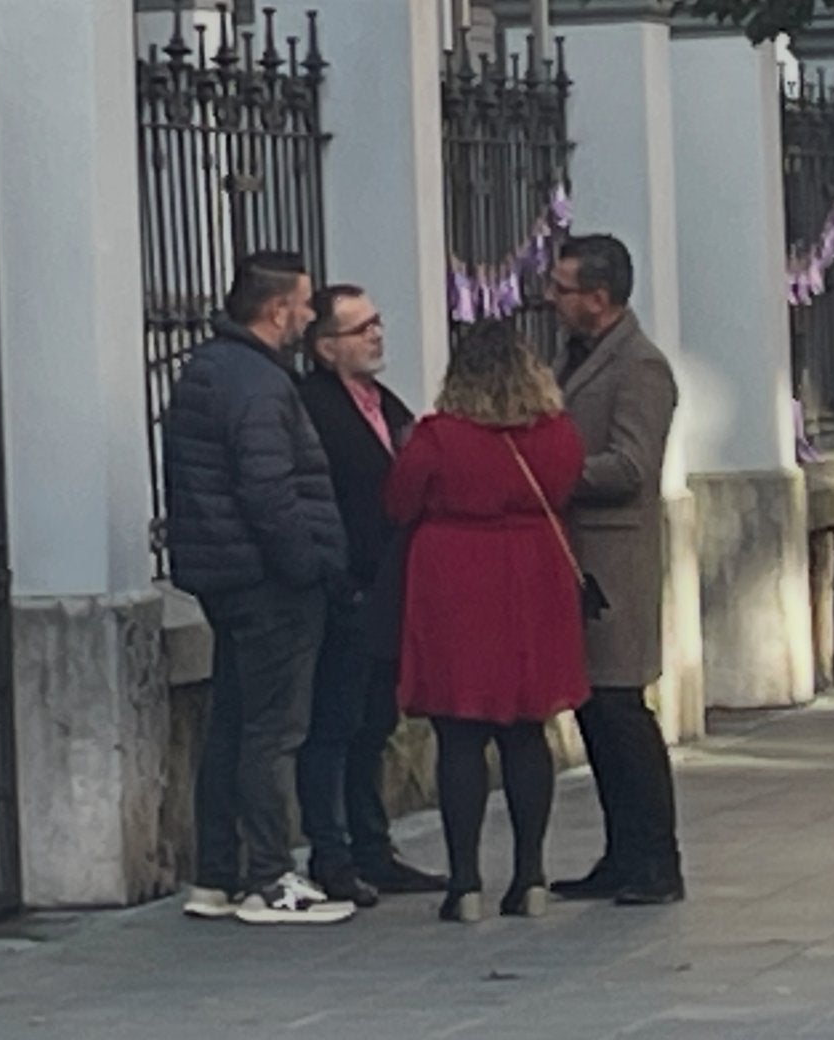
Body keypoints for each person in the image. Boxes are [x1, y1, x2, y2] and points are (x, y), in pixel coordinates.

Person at [162, 251, 353, 925]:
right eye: (304, 304)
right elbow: (268, 490)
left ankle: (216, 874)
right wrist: (308, 564)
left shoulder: (209, 368)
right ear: (278, 311)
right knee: (274, 731)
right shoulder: (261, 385)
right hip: (268, 581)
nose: (309, 314)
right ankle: (271, 877)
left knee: (233, 726)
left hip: (224, 576)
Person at [385, 320, 588, 923]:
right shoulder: (556, 435)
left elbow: (399, 501)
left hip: (458, 577)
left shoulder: (439, 436)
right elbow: (570, 483)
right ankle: (530, 876)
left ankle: (466, 883)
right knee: (527, 730)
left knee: (461, 731)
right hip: (534, 574)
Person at [296, 285, 448, 908]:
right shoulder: (311, 407)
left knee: (374, 725)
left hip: (392, 589)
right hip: (346, 587)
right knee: (335, 726)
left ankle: (373, 847)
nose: (377, 336)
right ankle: (331, 854)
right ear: (327, 347)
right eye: (361, 329)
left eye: (377, 323)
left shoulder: (386, 403)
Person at [544, 234, 685, 906]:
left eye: (562, 288)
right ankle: (622, 852)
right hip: (575, 560)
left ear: (598, 299)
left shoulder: (640, 368)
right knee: (595, 711)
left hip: (613, 563)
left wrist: (552, 472)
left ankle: (655, 859)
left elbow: (632, 465)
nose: (551, 299)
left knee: (622, 710)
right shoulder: (578, 356)